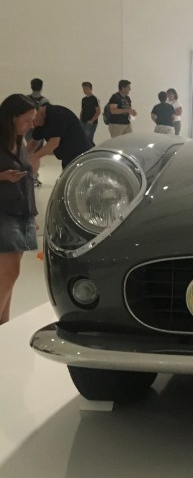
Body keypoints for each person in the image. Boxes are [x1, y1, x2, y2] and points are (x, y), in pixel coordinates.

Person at [0, 94, 41, 324]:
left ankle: (4, 324)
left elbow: (27, 178)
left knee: (10, 274)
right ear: (12, 118)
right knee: (9, 272)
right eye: (27, 120)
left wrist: (32, 213)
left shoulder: (19, 141)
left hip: (22, 211)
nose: (31, 125)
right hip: (4, 212)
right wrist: (3, 177)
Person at [30, 101, 94, 169]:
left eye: (30, 121)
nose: (31, 125)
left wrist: (34, 157)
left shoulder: (55, 114)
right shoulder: (40, 121)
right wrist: (23, 157)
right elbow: (34, 143)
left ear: (37, 112)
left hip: (82, 156)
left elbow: (53, 143)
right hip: (68, 157)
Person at [24, 78, 49, 185]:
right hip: (39, 129)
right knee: (36, 154)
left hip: (27, 128)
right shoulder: (44, 101)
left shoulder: (25, 100)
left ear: (31, 86)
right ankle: (33, 177)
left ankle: (31, 174)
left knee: (29, 151)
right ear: (41, 87)